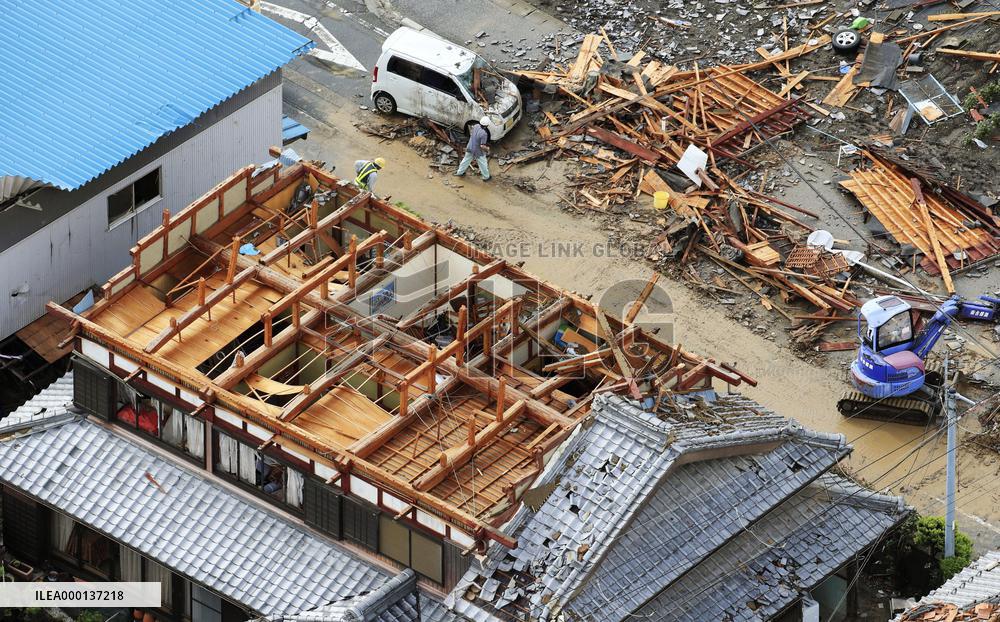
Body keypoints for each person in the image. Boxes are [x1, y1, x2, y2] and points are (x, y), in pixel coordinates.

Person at [455, 117, 491, 181]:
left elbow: (472, 134)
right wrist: (487, 149)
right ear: (487, 125)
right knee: (483, 164)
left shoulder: (476, 126)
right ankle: (486, 177)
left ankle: (460, 172)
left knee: (465, 160)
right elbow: (482, 146)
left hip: (470, 147)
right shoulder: (484, 134)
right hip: (478, 151)